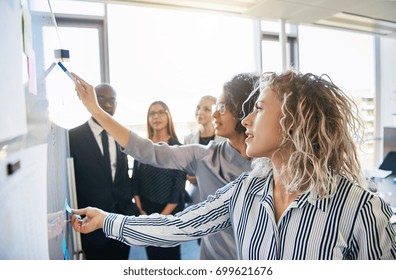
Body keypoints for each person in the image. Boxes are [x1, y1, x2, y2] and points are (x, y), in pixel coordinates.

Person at [72, 69, 396, 260]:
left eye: (258, 108)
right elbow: (179, 225)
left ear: (294, 121)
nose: (248, 117)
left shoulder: (362, 210)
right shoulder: (244, 190)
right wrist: (107, 221)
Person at [71, 71, 260, 260]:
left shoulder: (269, 167)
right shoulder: (204, 155)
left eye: (223, 106)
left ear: (244, 112)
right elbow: (146, 150)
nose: (214, 113)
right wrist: (95, 110)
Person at [68, 83, 139, 260]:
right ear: (91, 100)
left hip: (121, 222)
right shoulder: (73, 138)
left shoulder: (121, 135)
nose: (107, 104)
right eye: (101, 98)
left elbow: (122, 176)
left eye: (112, 100)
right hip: (92, 228)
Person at [132, 101, 187, 260]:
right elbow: (135, 180)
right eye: (152, 113)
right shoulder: (142, 146)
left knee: (170, 260)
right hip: (146, 213)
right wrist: (141, 211)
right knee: (153, 258)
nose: (156, 116)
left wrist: (160, 219)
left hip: (169, 215)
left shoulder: (178, 148)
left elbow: (178, 190)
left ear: (168, 116)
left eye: (161, 112)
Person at [184, 95, 226, 206]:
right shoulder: (188, 138)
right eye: (198, 108)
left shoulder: (225, 139)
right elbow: (185, 169)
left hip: (219, 199)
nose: (199, 112)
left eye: (206, 109)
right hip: (195, 198)